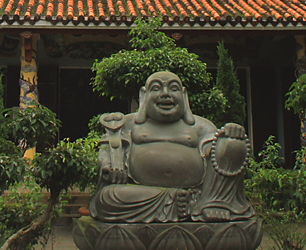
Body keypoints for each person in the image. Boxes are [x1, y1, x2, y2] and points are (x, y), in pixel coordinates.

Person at [89, 71, 253, 223]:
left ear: (184, 95)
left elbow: (219, 154)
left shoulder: (201, 126)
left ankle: (214, 204)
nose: (165, 94)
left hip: (199, 193)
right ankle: (176, 200)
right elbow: (108, 147)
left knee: (233, 144)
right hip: (144, 194)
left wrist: (230, 137)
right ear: (144, 95)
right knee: (109, 197)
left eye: (173, 88)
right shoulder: (127, 123)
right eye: (156, 88)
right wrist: (109, 167)